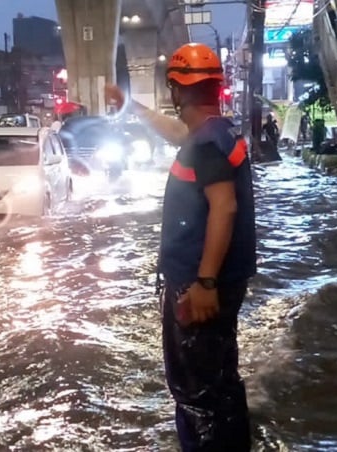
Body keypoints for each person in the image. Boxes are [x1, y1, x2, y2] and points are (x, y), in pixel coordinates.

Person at [106, 43, 256, 451]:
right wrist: (131, 107)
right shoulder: (218, 133)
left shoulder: (205, 145)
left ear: (175, 91)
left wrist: (204, 281)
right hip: (222, 281)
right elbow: (177, 133)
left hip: (199, 285)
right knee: (221, 381)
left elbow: (223, 208)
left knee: (195, 394)